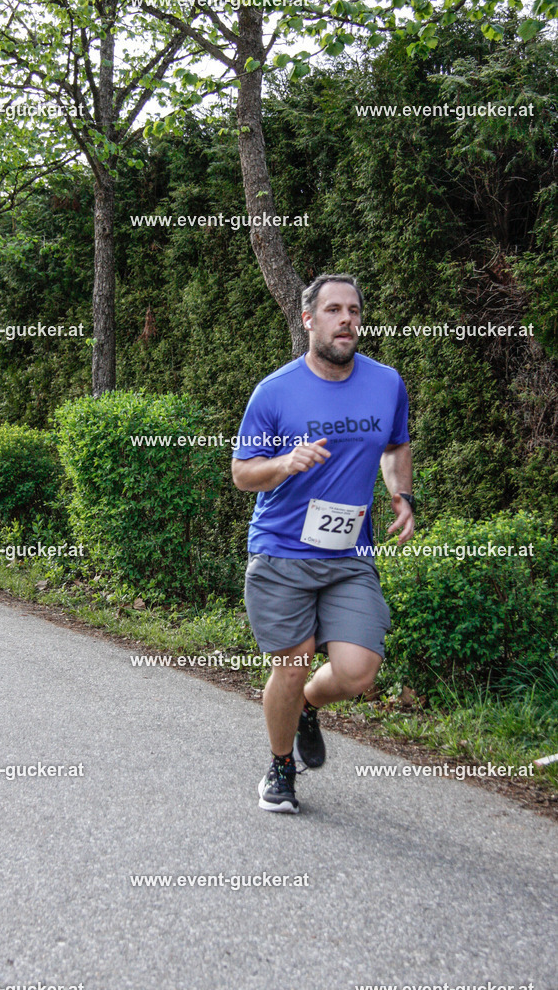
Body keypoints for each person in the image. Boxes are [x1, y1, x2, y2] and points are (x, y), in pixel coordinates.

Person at [231, 274, 415, 813]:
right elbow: (243, 473)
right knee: (292, 661)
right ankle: (280, 767)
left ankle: (308, 704)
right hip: (283, 550)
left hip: (350, 556)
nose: (346, 320)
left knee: (359, 671)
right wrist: (286, 462)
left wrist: (402, 494)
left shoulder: (386, 383)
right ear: (308, 320)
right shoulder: (275, 391)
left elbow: (395, 448)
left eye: (354, 311)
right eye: (333, 310)